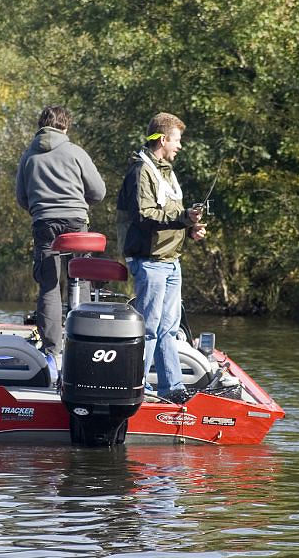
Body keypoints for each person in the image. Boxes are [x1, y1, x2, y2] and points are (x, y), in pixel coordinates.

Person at [116, 112, 206, 403]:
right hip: (150, 261)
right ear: (164, 139)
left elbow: (170, 217)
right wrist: (183, 217)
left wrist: (190, 228)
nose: (180, 146)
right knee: (150, 328)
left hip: (170, 260)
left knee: (169, 329)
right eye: (177, 140)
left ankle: (173, 388)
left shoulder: (166, 171)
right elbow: (144, 216)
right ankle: (134, 387)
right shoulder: (142, 171)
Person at [16, 106, 106, 361]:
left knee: (49, 286)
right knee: (82, 279)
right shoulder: (76, 152)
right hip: (76, 222)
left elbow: (22, 198)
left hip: (44, 224)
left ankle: (52, 351)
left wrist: (39, 208)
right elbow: (99, 192)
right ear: (65, 126)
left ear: (40, 126)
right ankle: (84, 343)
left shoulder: (28, 157)